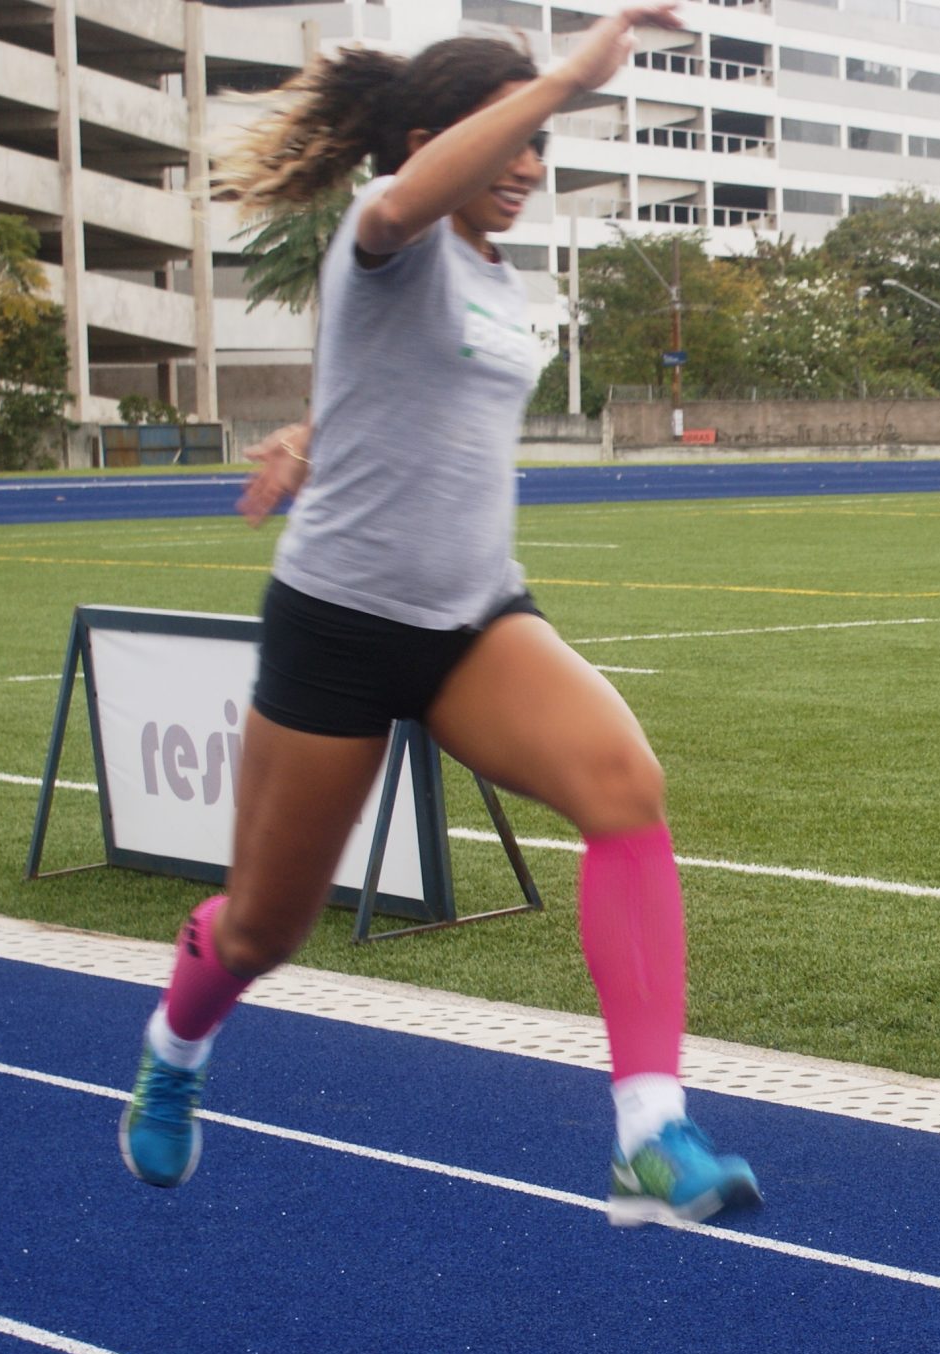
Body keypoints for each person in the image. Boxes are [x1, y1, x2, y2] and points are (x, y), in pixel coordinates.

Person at [117, 9, 759, 1227]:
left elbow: (408, 387)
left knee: (627, 790)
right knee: (261, 927)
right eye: (509, 143)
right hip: (340, 624)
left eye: (541, 148)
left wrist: (320, 432)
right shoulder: (388, 231)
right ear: (428, 142)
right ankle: (175, 1051)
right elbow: (402, 219)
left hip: (472, 620)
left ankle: (647, 1131)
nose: (528, 166)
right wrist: (572, 74)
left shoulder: (497, 275)